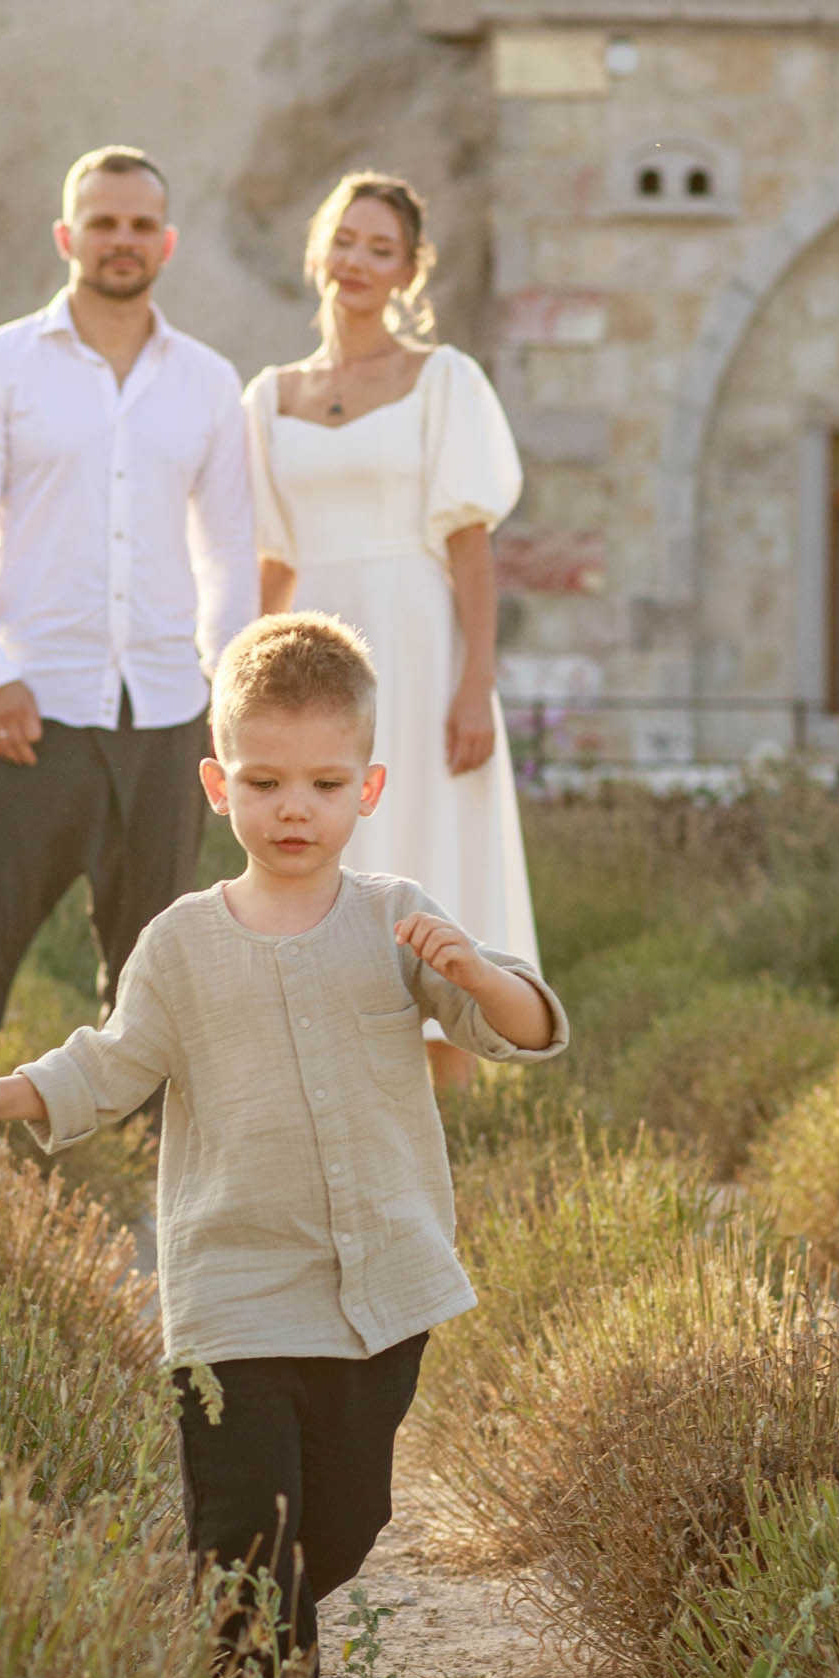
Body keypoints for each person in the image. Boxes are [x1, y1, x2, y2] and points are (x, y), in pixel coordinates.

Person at [0, 610, 567, 1678]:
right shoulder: (178, 943)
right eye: (263, 783)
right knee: (242, 1532)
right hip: (233, 1294)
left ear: (366, 789)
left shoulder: (395, 919)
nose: (292, 808)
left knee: (344, 1520)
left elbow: (516, 1029)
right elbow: (107, 1065)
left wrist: (475, 973)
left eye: (322, 784)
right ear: (217, 787)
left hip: (379, 1291)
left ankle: (232, 1662)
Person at [0, 145, 256, 1027]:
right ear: (67, 236)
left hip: (167, 716)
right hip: (29, 709)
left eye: (142, 224)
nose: (122, 239)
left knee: (152, 986)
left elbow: (229, 548)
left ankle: (139, 1124)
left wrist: (224, 695)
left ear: (167, 243)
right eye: (103, 222)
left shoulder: (209, 382)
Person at [242, 173, 540, 1092]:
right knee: (318, 849)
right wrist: (245, 698)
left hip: (416, 652)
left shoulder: (443, 380)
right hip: (309, 660)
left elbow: (469, 546)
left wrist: (475, 683)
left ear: (410, 272)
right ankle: (330, 1098)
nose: (359, 262)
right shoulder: (269, 398)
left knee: (427, 857)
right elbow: (271, 564)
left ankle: (444, 1116)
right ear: (317, 251)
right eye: (346, 240)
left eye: (382, 249)